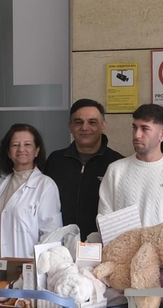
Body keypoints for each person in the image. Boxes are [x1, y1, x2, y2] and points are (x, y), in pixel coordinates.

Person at [0, 124, 63, 270]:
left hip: (24, 266)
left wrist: (41, 268)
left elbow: (51, 235)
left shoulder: (45, 185)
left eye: (27, 144)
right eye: (15, 145)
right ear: (8, 152)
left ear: (37, 150)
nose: (21, 149)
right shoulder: (0, 184)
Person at [98, 104, 163, 228]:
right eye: (134, 128)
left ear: (162, 135)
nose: (137, 135)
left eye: (145, 129)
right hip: (122, 247)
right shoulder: (115, 170)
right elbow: (105, 219)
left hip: (162, 247)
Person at [47, 99, 123, 240]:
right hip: (59, 246)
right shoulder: (55, 160)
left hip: (101, 247)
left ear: (103, 126)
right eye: (78, 122)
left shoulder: (117, 164)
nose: (85, 128)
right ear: (70, 126)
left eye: (92, 122)